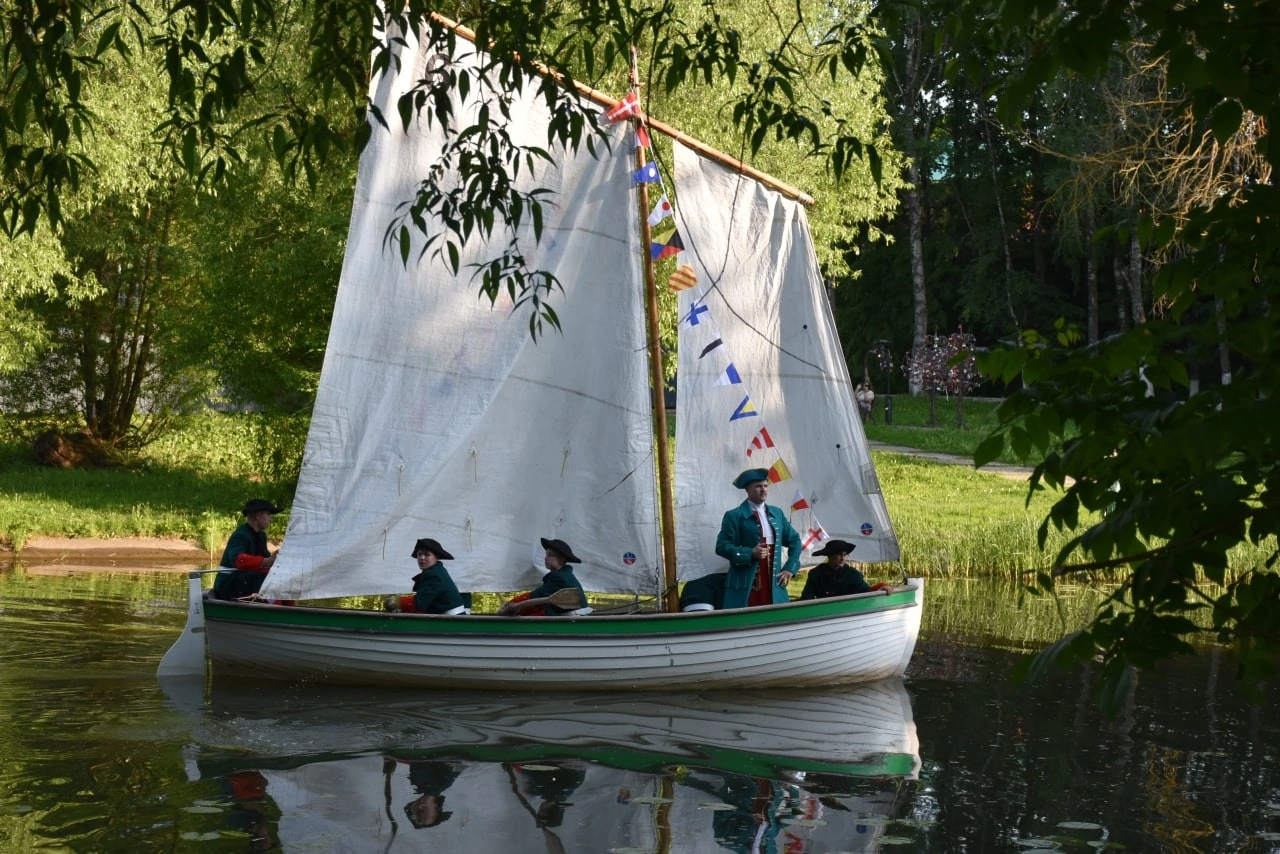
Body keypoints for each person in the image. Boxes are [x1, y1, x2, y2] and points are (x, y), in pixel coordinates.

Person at [715, 469, 802, 608]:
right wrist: (750, 553)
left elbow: (795, 540)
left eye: (765, 486)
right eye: (758, 486)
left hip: (774, 585)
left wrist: (790, 568)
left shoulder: (777, 513)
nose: (763, 490)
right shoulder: (734, 516)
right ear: (748, 490)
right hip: (745, 587)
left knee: (778, 621)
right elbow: (721, 547)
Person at [498, 537, 590, 616]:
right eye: (546, 554)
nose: (546, 557)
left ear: (562, 559)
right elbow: (539, 601)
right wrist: (513, 608)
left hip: (574, 618)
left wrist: (510, 605)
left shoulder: (560, 578)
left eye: (550, 555)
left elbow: (533, 597)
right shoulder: (563, 574)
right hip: (564, 613)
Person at [213, 498, 280, 600]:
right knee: (261, 577)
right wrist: (267, 561)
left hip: (244, 579)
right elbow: (237, 560)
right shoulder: (240, 535)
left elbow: (266, 559)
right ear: (258, 516)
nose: (270, 519)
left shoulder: (261, 535)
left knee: (278, 576)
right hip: (228, 583)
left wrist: (276, 559)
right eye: (268, 515)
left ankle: (286, 609)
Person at [385, 538, 468, 614]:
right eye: (419, 554)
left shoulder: (435, 575)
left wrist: (397, 602)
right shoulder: (436, 571)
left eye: (427, 555)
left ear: (437, 557)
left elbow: (419, 604)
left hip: (451, 623)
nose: (422, 558)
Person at [799, 539, 871, 599]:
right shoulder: (816, 574)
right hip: (823, 611)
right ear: (830, 556)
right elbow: (807, 596)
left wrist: (878, 588)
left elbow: (867, 592)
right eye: (839, 554)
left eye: (845, 555)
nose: (842, 558)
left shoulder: (853, 574)